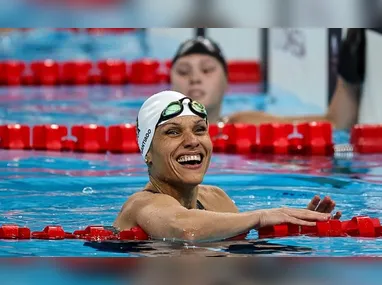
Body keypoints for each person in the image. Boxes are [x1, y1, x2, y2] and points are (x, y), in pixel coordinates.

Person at [113, 90, 341, 242]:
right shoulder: (141, 205)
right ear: (148, 153)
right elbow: (185, 229)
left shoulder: (216, 199)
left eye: (200, 129)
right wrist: (262, 216)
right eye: (173, 132)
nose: (193, 141)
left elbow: (239, 254)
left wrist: (298, 229)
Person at [169, 31, 365, 130]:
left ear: (226, 82)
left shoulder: (245, 124)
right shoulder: (155, 131)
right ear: (170, 83)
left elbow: (336, 123)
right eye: (184, 72)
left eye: (207, 70)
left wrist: (347, 79)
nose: (195, 79)